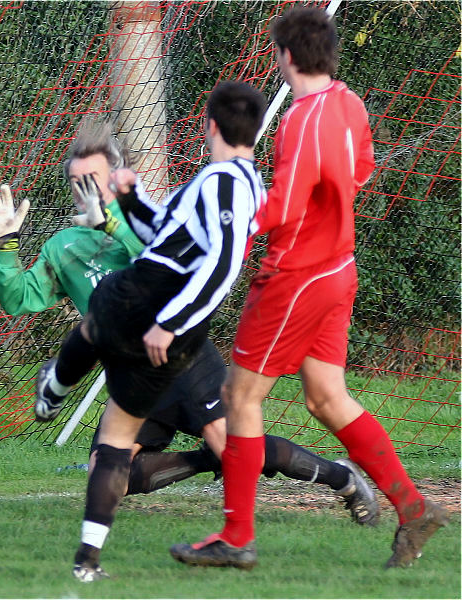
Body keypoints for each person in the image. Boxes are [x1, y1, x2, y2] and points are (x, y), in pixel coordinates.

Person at [0, 112, 377, 582]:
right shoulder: (66, 246)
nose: (87, 190)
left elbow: (167, 261)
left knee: (234, 447)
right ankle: (191, 468)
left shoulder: (152, 218)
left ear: (120, 176)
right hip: (134, 372)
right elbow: (19, 298)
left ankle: (341, 477)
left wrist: (112, 223)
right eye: (78, 182)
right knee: (110, 473)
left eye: (96, 181)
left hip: (184, 360)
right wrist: (5, 243)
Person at [169, 7, 449, 572]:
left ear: (287, 56)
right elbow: (363, 171)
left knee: (239, 399)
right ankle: (412, 506)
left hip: (297, 275)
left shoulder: (301, 118)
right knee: (326, 396)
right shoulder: (349, 103)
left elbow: (288, 203)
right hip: (339, 269)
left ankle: (236, 536)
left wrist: (232, 226)